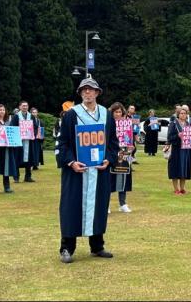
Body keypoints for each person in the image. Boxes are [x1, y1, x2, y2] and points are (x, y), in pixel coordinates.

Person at [57, 78, 117, 263]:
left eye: (91, 90)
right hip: (77, 171)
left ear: (97, 93)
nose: (87, 93)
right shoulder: (71, 115)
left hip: (99, 171)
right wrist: (71, 162)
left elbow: (113, 143)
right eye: (84, 90)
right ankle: (67, 247)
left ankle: (97, 245)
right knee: (71, 207)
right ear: (80, 93)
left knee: (98, 205)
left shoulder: (106, 115)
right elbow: (63, 144)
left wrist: (109, 159)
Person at [110, 102, 134, 213]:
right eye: (116, 112)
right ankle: (106, 205)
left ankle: (122, 203)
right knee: (110, 179)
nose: (118, 114)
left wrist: (131, 146)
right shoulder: (108, 124)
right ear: (112, 112)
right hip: (112, 153)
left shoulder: (127, 124)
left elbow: (130, 138)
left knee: (124, 176)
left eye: (120, 112)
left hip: (124, 153)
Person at [166, 106, 191, 195]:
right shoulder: (174, 123)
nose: (183, 115)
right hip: (176, 149)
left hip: (186, 150)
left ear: (186, 115)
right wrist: (178, 135)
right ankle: (176, 189)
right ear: (178, 115)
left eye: (185, 113)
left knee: (184, 169)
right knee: (175, 169)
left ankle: (182, 188)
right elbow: (169, 137)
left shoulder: (188, 124)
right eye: (181, 113)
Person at [12, 101, 39, 183]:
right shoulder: (16, 116)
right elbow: (13, 127)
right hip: (19, 142)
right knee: (17, 158)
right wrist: (18, 134)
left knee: (29, 159)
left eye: (26, 106)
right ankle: (16, 177)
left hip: (29, 141)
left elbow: (35, 127)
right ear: (20, 107)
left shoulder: (31, 116)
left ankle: (28, 176)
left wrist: (32, 134)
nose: (25, 107)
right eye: (23, 106)